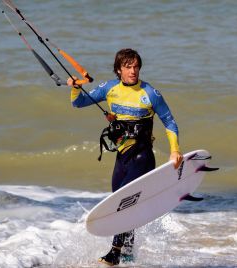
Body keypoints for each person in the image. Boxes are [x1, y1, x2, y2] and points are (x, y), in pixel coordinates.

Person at [67, 48, 183, 266]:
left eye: (136, 66)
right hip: (122, 156)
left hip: (143, 156)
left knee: (122, 204)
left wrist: (175, 149)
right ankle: (128, 252)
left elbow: (170, 122)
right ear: (118, 70)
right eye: (128, 67)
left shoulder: (150, 93)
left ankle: (115, 252)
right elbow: (79, 103)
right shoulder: (110, 89)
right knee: (124, 204)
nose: (133, 71)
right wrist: (75, 88)